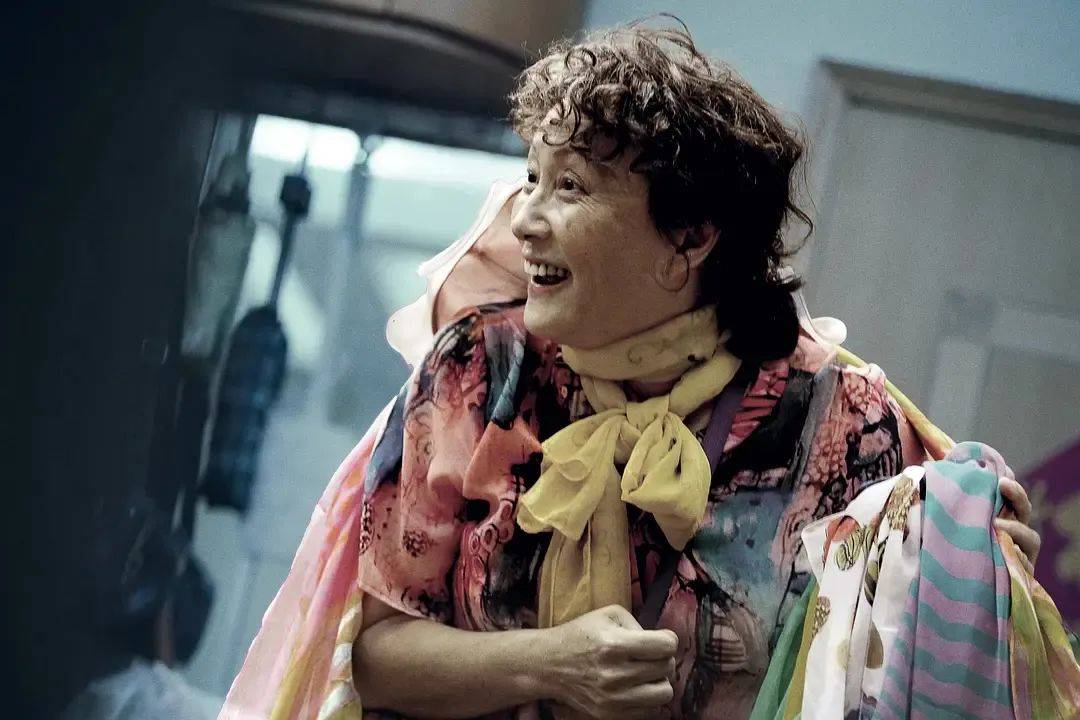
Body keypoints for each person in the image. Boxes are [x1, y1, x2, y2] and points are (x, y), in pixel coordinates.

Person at [220, 21, 1044, 720]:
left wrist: (977, 555)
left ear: (691, 236)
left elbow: (922, 612)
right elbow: (371, 650)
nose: (526, 219)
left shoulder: (838, 417)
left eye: (571, 188)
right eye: (532, 178)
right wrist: (550, 662)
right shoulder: (480, 367)